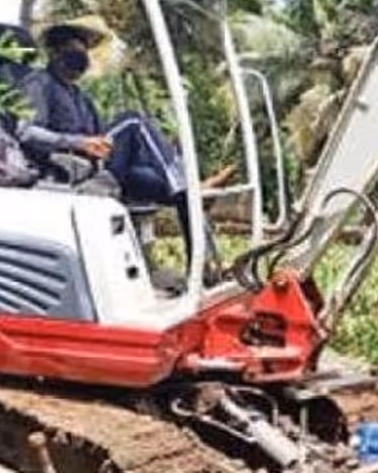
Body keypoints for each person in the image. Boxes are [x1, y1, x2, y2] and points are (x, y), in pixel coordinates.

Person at [16, 20, 230, 286]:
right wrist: (80, 142)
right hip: (67, 170)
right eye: (73, 49)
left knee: (184, 195)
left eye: (83, 50)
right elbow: (26, 132)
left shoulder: (81, 97)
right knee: (132, 120)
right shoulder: (40, 83)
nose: (81, 55)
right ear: (55, 52)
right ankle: (183, 179)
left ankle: (205, 266)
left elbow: (101, 136)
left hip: (99, 167)